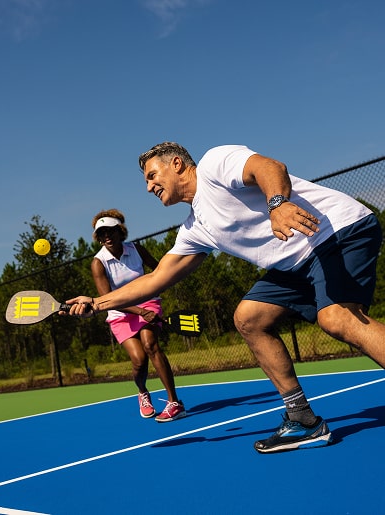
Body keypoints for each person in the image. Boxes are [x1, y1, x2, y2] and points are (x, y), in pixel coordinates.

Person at [66, 142, 385, 453]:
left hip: (336, 231)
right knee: (249, 319)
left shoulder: (214, 165)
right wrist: (96, 304)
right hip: (296, 262)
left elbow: (269, 167)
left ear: (176, 164)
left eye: (152, 175)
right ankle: (303, 420)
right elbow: (155, 279)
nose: (149, 187)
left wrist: (278, 204)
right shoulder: (195, 229)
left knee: (336, 318)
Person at [90, 209, 186, 422]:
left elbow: (160, 270)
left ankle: (175, 402)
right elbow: (107, 300)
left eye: (110, 231)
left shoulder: (137, 250)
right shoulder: (98, 263)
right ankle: (143, 391)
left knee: (150, 345)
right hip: (119, 312)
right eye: (102, 233)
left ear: (120, 231)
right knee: (139, 361)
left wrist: (170, 280)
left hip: (147, 302)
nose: (107, 236)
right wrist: (140, 312)